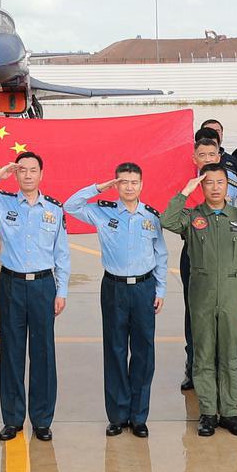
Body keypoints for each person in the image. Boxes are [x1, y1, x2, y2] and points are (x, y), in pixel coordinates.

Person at [0, 154, 71, 442]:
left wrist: (61, 291)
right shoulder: (2, 202)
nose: (27, 175)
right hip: (11, 284)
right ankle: (12, 418)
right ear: (15, 175)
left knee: (43, 354)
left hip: (42, 285)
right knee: (12, 352)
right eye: (21, 170)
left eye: (32, 170)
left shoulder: (54, 209)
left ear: (41, 174)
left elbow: (62, 253)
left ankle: (42, 420)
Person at [64, 164, 169, 437]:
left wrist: (160, 291)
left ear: (142, 185)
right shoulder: (102, 212)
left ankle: (138, 416)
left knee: (144, 353)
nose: (130, 187)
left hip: (144, 288)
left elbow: (161, 255)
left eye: (134, 182)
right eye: (124, 182)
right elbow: (70, 205)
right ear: (117, 185)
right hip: (114, 289)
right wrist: (99, 187)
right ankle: (118, 415)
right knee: (115, 350)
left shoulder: (151, 217)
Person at [161, 164, 237, 437]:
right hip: (201, 292)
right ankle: (207, 413)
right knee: (203, 354)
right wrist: (185, 191)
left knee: (229, 354)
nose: (215, 187)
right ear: (201, 187)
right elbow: (167, 220)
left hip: (232, 290)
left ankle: (230, 412)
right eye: (209, 183)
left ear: (228, 185)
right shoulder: (192, 217)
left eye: (220, 182)